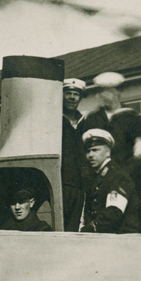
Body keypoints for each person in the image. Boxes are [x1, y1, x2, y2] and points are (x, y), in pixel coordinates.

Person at [79, 72, 141, 166]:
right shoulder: (93, 118)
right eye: (100, 92)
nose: (101, 96)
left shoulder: (132, 117)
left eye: (107, 92)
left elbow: (140, 149)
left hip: (127, 172)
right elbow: (85, 148)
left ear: (117, 92)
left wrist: (128, 170)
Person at [80, 128, 140, 234]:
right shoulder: (100, 176)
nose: (90, 155)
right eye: (88, 151)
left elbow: (114, 212)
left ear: (108, 152)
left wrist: (90, 228)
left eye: (95, 150)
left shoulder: (117, 175)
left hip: (122, 237)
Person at [60, 78, 91, 232]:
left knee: (74, 224)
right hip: (61, 180)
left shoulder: (84, 122)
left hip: (80, 182)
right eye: (68, 93)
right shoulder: (55, 120)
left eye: (76, 94)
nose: (72, 97)